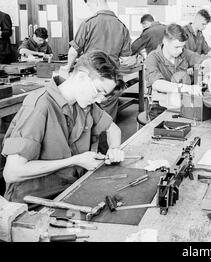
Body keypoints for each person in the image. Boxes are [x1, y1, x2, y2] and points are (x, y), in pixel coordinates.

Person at [1, 51, 125, 203]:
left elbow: (113, 129)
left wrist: (114, 148)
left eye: (104, 95)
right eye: (99, 91)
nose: (100, 99)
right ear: (81, 77)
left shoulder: (84, 103)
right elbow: (12, 172)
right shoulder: (39, 106)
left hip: (68, 189)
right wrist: (74, 161)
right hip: (33, 201)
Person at [62, 0, 134, 120]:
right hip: (110, 82)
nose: (91, 10)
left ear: (96, 3)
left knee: (85, 119)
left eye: (90, 6)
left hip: (90, 80)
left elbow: (73, 51)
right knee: (107, 121)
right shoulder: (122, 27)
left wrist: (67, 67)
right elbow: (125, 58)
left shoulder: (88, 23)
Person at [144, 23, 211, 119]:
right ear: (165, 42)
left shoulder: (183, 53)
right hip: (160, 108)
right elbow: (157, 84)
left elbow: (208, 61)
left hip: (182, 104)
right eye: (177, 47)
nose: (180, 50)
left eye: (182, 46)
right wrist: (187, 88)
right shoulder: (153, 57)